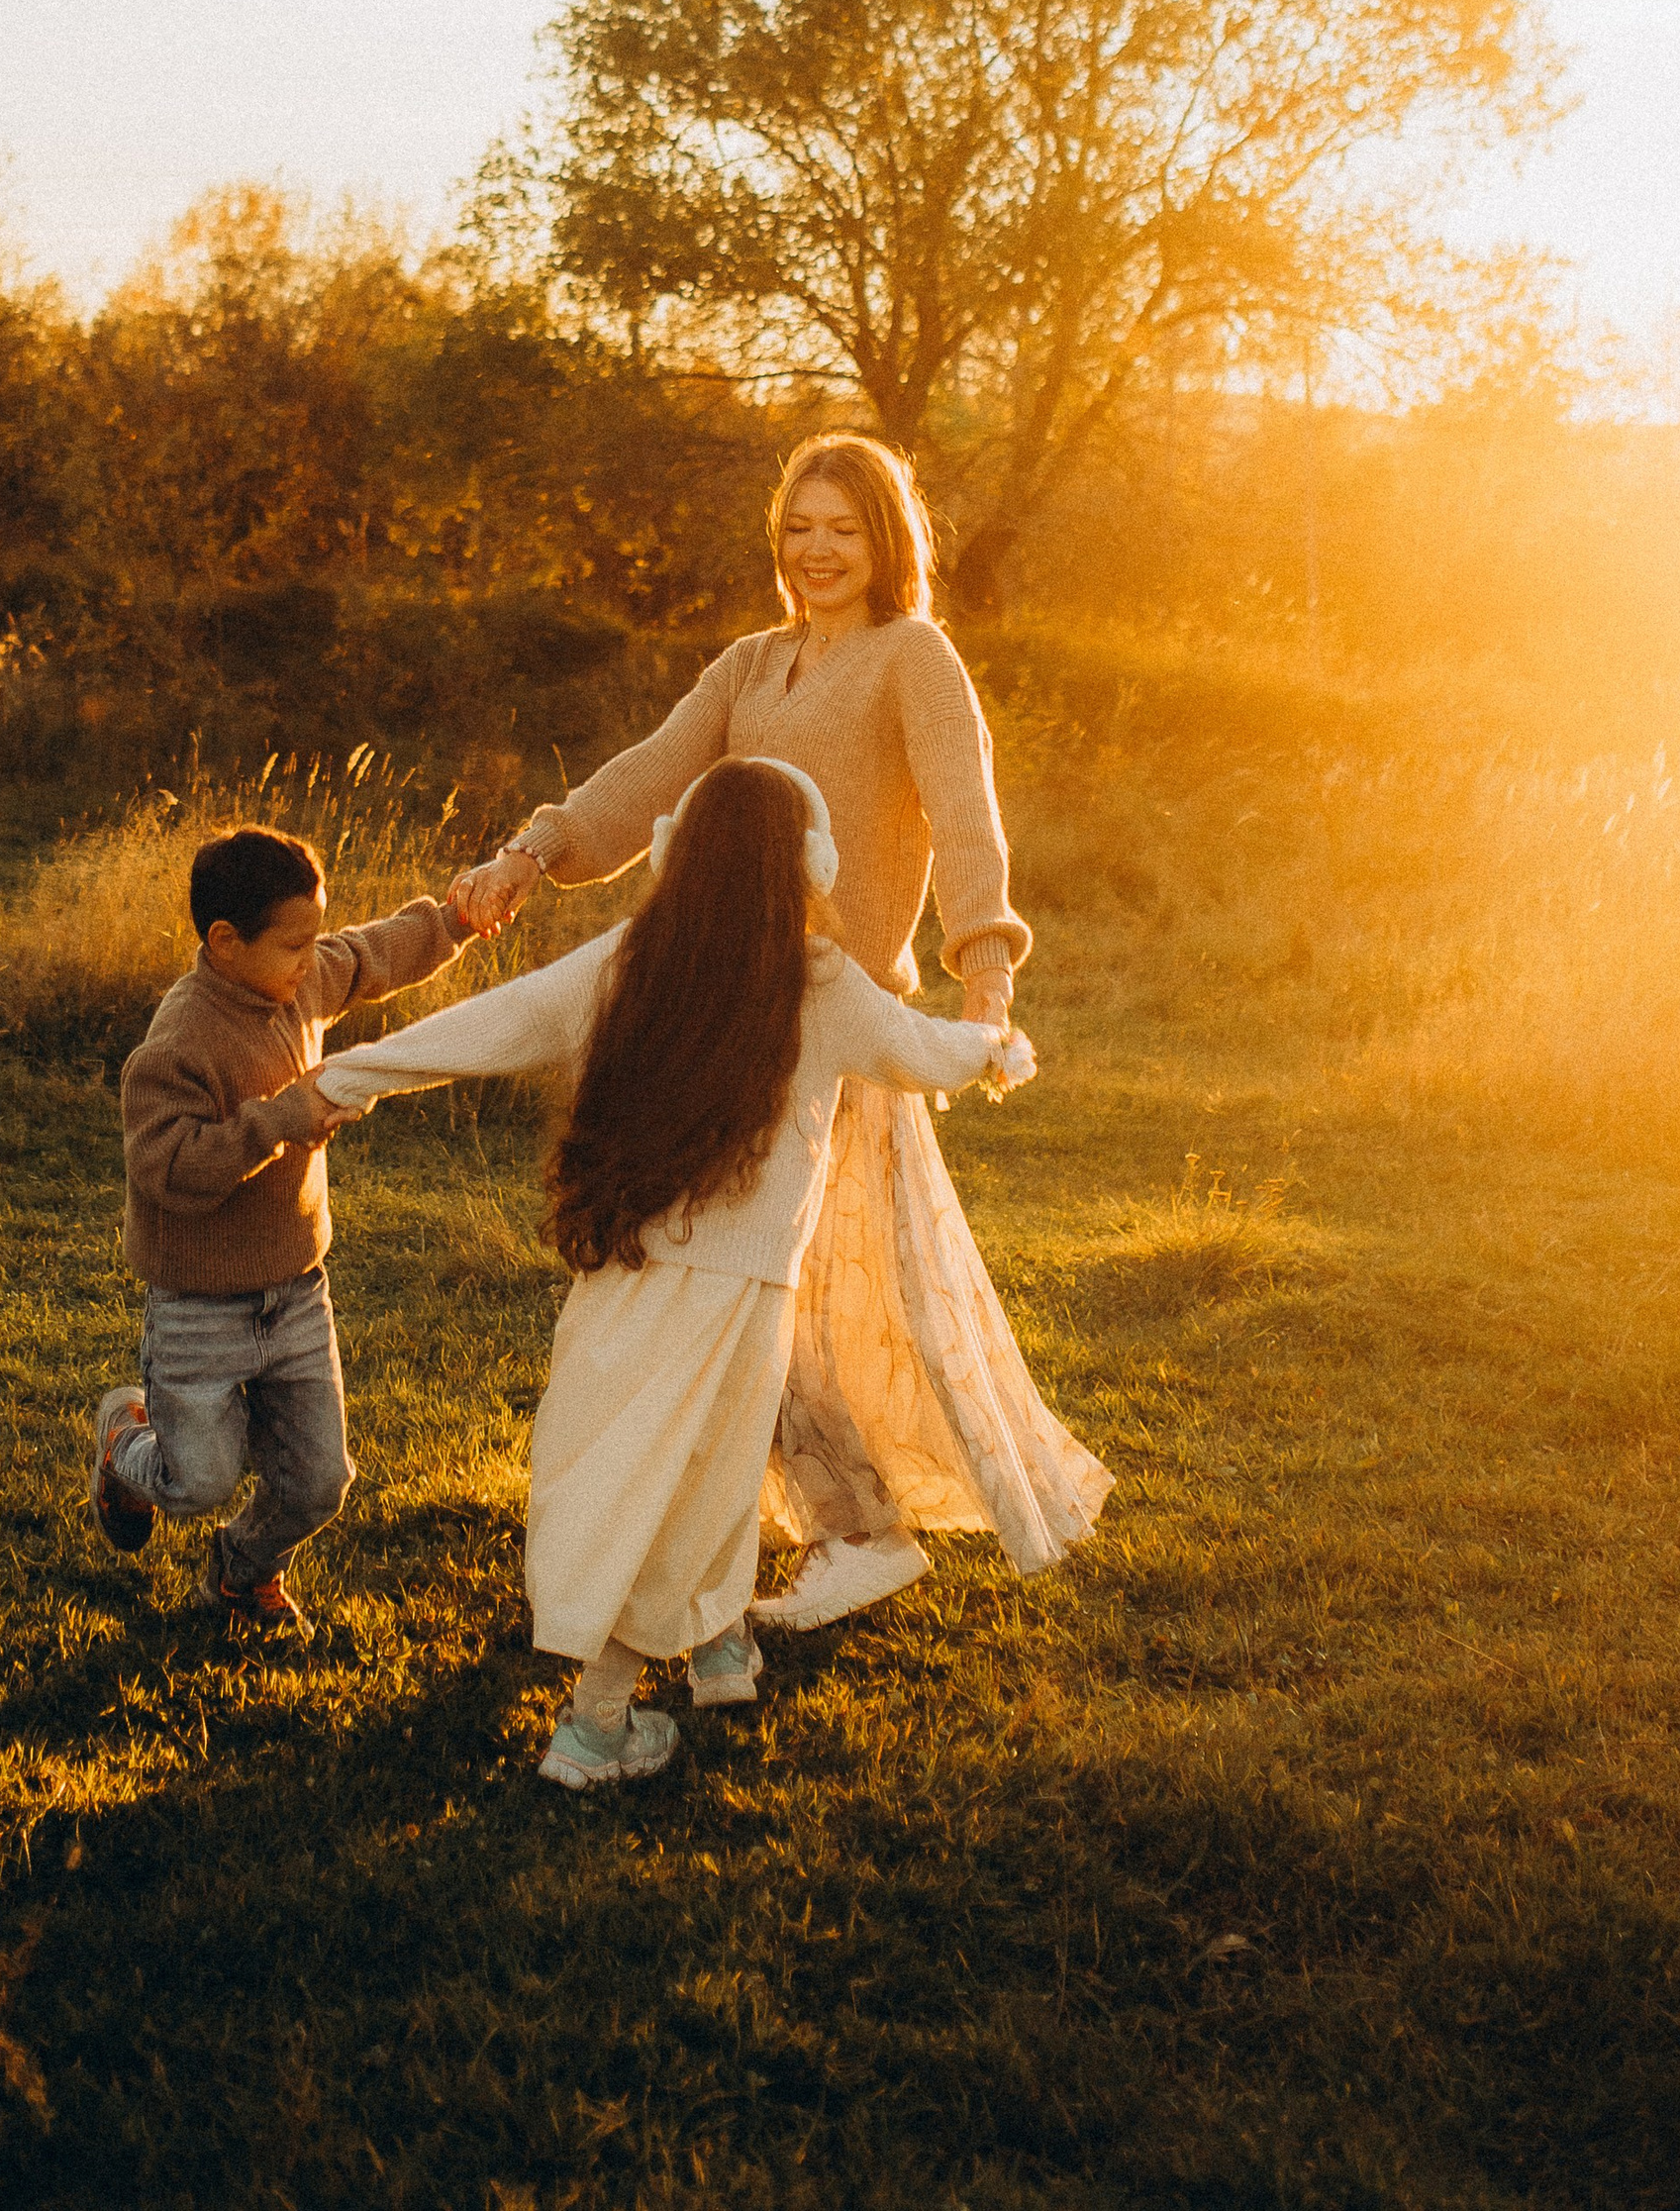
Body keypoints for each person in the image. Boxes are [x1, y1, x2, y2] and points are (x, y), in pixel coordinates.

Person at [451, 433, 1110, 1632]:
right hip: (724, 1027)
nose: (815, 551)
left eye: (841, 530)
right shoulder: (753, 664)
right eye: (798, 528)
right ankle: (823, 1525)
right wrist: (530, 850)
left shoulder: (915, 657)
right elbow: (648, 777)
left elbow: (967, 821)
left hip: (837, 1027)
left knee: (800, 1291)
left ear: (886, 541)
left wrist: (985, 977)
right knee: (762, 1285)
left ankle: (855, 1533)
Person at [317, 759, 1026, 1786]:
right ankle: (595, 1729)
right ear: (809, 865)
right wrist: (995, 1050)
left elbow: (495, 1024)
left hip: (626, 1276)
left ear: (673, 858)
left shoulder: (631, 958)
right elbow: (924, 1052)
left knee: (671, 1470)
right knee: (682, 1484)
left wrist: (347, 1076)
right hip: (741, 1295)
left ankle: (719, 1645)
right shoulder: (819, 978)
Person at [89, 822, 471, 1636]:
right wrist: (277, 1123)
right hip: (198, 1307)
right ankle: (127, 1436)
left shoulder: (295, 980)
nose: (312, 959)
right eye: (295, 944)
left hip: (296, 1292)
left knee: (319, 1481)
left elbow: (374, 954)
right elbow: (170, 1170)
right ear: (225, 942)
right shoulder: (178, 1043)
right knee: (197, 1482)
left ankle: (243, 1573)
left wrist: (457, 920)